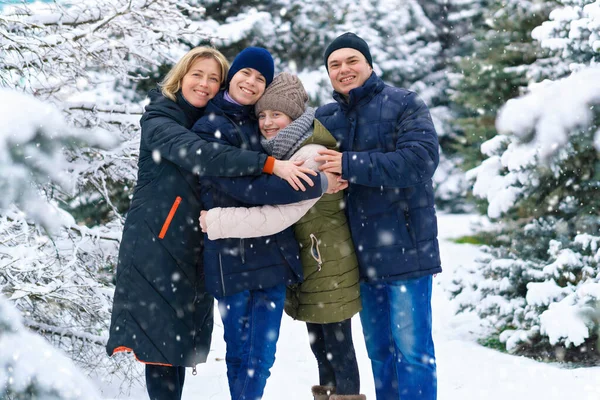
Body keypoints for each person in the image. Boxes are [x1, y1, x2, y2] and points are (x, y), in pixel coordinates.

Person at [105, 46, 319, 400]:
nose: (204, 84)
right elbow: (204, 155)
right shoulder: (161, 120)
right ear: (181, 76)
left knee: (176, 344)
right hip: (157, 247)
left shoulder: (210, 118)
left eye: (212, 78)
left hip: (193, 245)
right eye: (197, 75)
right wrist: (270, 166)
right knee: (161, 349)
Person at [199, 73, 366, 400]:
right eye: (261, 115)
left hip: (327, 260)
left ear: (294, 114)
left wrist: (218, 220)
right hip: (312, 259)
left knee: (338, 346)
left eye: (276, 113)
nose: (267, 122)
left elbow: (277, 215)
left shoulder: (310, 154)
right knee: (323, 346)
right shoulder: (286, 151)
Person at [315, 33, 442, 400]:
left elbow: (419, 162)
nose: (344, 69)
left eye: (351, 60)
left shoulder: (404, 103)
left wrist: (348, 164)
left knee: (413, 354)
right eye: (334, 64)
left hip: (407, 249)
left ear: (369, 64)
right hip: (359, 257)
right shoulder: (324, 118)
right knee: (380, 353)